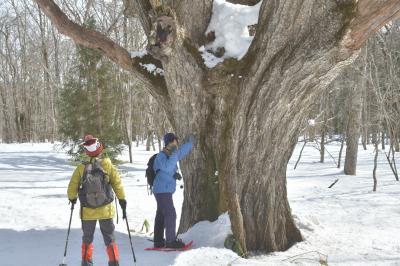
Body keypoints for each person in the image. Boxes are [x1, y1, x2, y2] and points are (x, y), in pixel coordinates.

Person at [67, 135, 127, 266]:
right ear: (100, 149)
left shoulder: (81, 168)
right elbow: (117, 183)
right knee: (110, 238)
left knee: (87, 239)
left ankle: (86, 262)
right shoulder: (107, 164)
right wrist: (122, 199)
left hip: (88, 211)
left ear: (86, 151)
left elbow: (72, 187)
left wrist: (72, 198)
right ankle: (114, 262)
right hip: (106, 210)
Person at [152, 133, 194, 249]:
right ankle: (170, 241)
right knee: (170, 214)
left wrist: (191, 143)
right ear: (170, 142)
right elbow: (167, 167)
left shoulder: (171, 154)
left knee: (161, 214)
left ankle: (158, 240)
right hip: (162, 191)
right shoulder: (161, 156)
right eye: (175, 141)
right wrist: (175, 154)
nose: (177, 143)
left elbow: (180, 153)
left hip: (163, 190)